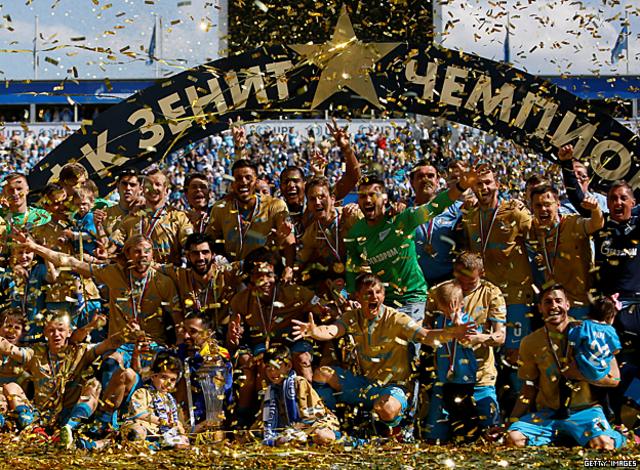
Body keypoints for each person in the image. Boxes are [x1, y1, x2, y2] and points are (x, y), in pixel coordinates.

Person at [292, 274, 473, 430]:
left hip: (394, 386)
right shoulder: (352, 317)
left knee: (385, 408)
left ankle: (395, 433)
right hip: (364, 384)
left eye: (378, 292)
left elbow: (425, 335)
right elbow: (332, 330)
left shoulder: (396, 318)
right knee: (322, 374)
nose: (374, 297)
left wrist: (451, 332)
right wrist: (315, 332)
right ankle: (330, 422)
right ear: (358, 296)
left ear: (384, 295)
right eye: (368, 293)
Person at [346, 164, 476, 324]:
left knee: (411, 347)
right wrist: (351, 296)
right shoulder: (355, 233)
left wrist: (461, 186)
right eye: (362, 196)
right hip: (382, 301)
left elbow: (435, 207)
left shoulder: (403, 219)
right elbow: (352, 269)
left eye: (373, 194)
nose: (367, 200)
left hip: (413, 298)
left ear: (384, 198)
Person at [506, 285, 625, 450]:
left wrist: (582, 375)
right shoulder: (530, 342)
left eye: (558, 301)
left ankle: (617, 435)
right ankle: (565, 436)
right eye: (547, 302)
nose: (554, 306)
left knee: (604, 444)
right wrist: (512, 421)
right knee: (514, 439)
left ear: (568, 305)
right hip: (548, 414)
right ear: (540, 307)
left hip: (586, 412)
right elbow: (528, 388)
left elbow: (615, 379)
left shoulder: (592, 332)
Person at [227, 247, 330, 426]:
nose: (264, 280)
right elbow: (234, 337)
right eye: (258, 275)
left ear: (277, 276)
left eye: (269, 275)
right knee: (261, 363)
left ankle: (312, 414)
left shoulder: (295, 293)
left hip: (294, 341)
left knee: (303, 358)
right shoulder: (240, 300)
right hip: (261, 344)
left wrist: (322, 317)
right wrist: (234, 335)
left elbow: (326, 312)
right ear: (249, 278)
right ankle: (259, 420)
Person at [0, 312, 123, 447]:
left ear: (69, 332)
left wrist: (127, 334)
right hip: (41, 417)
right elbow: (10, 349)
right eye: (51, 330)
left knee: (94, 385)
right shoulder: (36, 352)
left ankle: (68, 430)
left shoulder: (81, 351)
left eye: (61, 330)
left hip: (70, 415)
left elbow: (109, 343)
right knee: (11, 386)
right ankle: (35, 432)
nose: (56, 334)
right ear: (45, 333)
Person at [424, 251, 506, 441]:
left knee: (492, 433)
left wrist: (479, 338)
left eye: (471, 283)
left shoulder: (492, 293)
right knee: (435, 436)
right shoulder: (439, 292)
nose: (466, 287)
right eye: (461, 281)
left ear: (482, 273)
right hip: (447, 375)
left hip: (479, 373)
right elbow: (425, 330)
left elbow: (500, 336)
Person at [460, 167, 533, 363]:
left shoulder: (514, 210)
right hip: (486, 297)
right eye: (478, 183)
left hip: (515, 295)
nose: (484, 187)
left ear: (497, 185)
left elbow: (538, 239)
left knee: (515, 354)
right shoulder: (470, 217)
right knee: (486, 353)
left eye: (488, 182)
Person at [527, 184, 604, 319]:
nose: (543, 209)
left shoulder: (573, 223)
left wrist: (595, 209)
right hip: (552, 304)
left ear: (558, 204)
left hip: (578, 303)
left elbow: (596, 224)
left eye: (547, 204)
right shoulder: (533, 228)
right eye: (538, 206)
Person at [206, 159, 295, 263]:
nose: (243, 182)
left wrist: (289, 268)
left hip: (265, 271)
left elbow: (289, 241)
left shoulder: (275, 205)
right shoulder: (220, 208)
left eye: (248, 178)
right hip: (233, 271)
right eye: (238, 178)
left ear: (256, 181)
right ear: (233, 183)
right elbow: (209, 241)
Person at [260, 344, 339, 446]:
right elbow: (265, 422)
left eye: (276, 367)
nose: (272, 372)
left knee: (321, 436)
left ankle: (344, 439)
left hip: (315, 424)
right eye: (268, 368)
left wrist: (297, 430)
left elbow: (314, 414)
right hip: (290, 431)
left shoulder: (299, 383)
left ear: (288, 366)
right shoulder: (270, 391)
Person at [112, 169, 193, 266]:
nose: (153, 188)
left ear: (166, 190)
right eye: (149, 185)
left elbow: (189, 244)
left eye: (158, 184)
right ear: (142, 189)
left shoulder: (178, 216)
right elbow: (114, 244)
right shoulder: (132, 216)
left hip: (167, 276)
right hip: (137, 274)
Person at [298, 176, 361, 297]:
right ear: (308, 205)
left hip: (363, 278)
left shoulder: (351, 216)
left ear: (332, 199)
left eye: (322, 197)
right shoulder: (311, 233)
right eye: (312, 199)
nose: (317, 202)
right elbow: (302, 261)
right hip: (336, 282)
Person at [175, 313, 233, 434]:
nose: (186, 336)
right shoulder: (179, 353)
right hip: (183, 419)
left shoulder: (218, 357)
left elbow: (220, 397)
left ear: (208, 333)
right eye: (184, 330)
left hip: (211, 419)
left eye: (193, 331)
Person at [410, 160, 464, 286]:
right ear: (411, 182)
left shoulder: (456, 208)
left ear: (438, 180)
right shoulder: (403, 212)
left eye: (430, 176)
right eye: (420, 176)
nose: (425, 179)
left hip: (449, 282)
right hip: (415, 285)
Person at [122, 353, 189, 450]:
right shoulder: (143, 393)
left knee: (182, 441)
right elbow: (139, 414)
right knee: (138, 431)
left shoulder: (170, 400)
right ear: (153, 376)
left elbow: (175, 421)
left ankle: (161, 446)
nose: (168, 383)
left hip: (163, 436)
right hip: (145, 430)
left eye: (173, 380)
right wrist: (162, 422)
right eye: (164, 377)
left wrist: (181, 432)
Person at [568, 296, 621, 383]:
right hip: (601, 372)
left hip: (583, 368)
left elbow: (572, 340)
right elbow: (616, 350)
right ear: (610, 316)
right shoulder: (610, 330)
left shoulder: (585, 325)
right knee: (616, 377)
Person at [0, 172, 50, 254]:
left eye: (19, 189)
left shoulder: (42, 216)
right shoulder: (1, 216)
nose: (15, 193)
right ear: (4, 193)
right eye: (10, 190)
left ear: (27, 190)